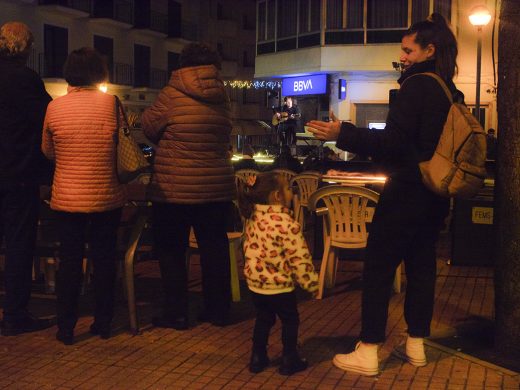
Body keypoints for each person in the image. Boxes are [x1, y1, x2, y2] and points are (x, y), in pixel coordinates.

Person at [307, 13, 459, 375]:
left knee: (377, 269)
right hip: (434, 194)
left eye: (408, 50)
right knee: (422, 268)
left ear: (429, 50)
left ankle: (370, 348)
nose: (403, 56)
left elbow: (392, 143)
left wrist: (339, 133)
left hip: (406, 192)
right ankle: (416, 345)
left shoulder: (417, 86)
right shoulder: (448, 89)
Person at [142, 42, 235, 329]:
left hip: (174, 189)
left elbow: (149, 127)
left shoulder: (171, 95)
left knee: (171, 251)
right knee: (214, 250)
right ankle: (218, 311)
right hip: (215, 187)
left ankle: (177, 313)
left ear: (183, 64)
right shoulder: (223, 97)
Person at [42, 48, 127, 345]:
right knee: (104, 260)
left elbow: (47, 150)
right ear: (99, 72)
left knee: (69, 261)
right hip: (107, 196)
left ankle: (66, 328)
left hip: (67, 198)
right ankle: (103, 323)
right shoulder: (112, 104)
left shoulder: (55, 108)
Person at [0, 22, 54, 336]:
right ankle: (15, 314)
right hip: (19, 175)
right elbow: (47, 122)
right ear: (26, 49)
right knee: (20, 245)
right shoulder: (27, 81)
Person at [237, 172, 318, 375]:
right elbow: (299, 258)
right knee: (290, 320)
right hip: (280, 285)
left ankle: (257, 357)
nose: (292, 192)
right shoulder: (286, 224)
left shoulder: (254, 218)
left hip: (256, 284)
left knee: (263, 318)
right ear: (277, 196)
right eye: (289, 189)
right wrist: (311, 284)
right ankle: (290, 358)